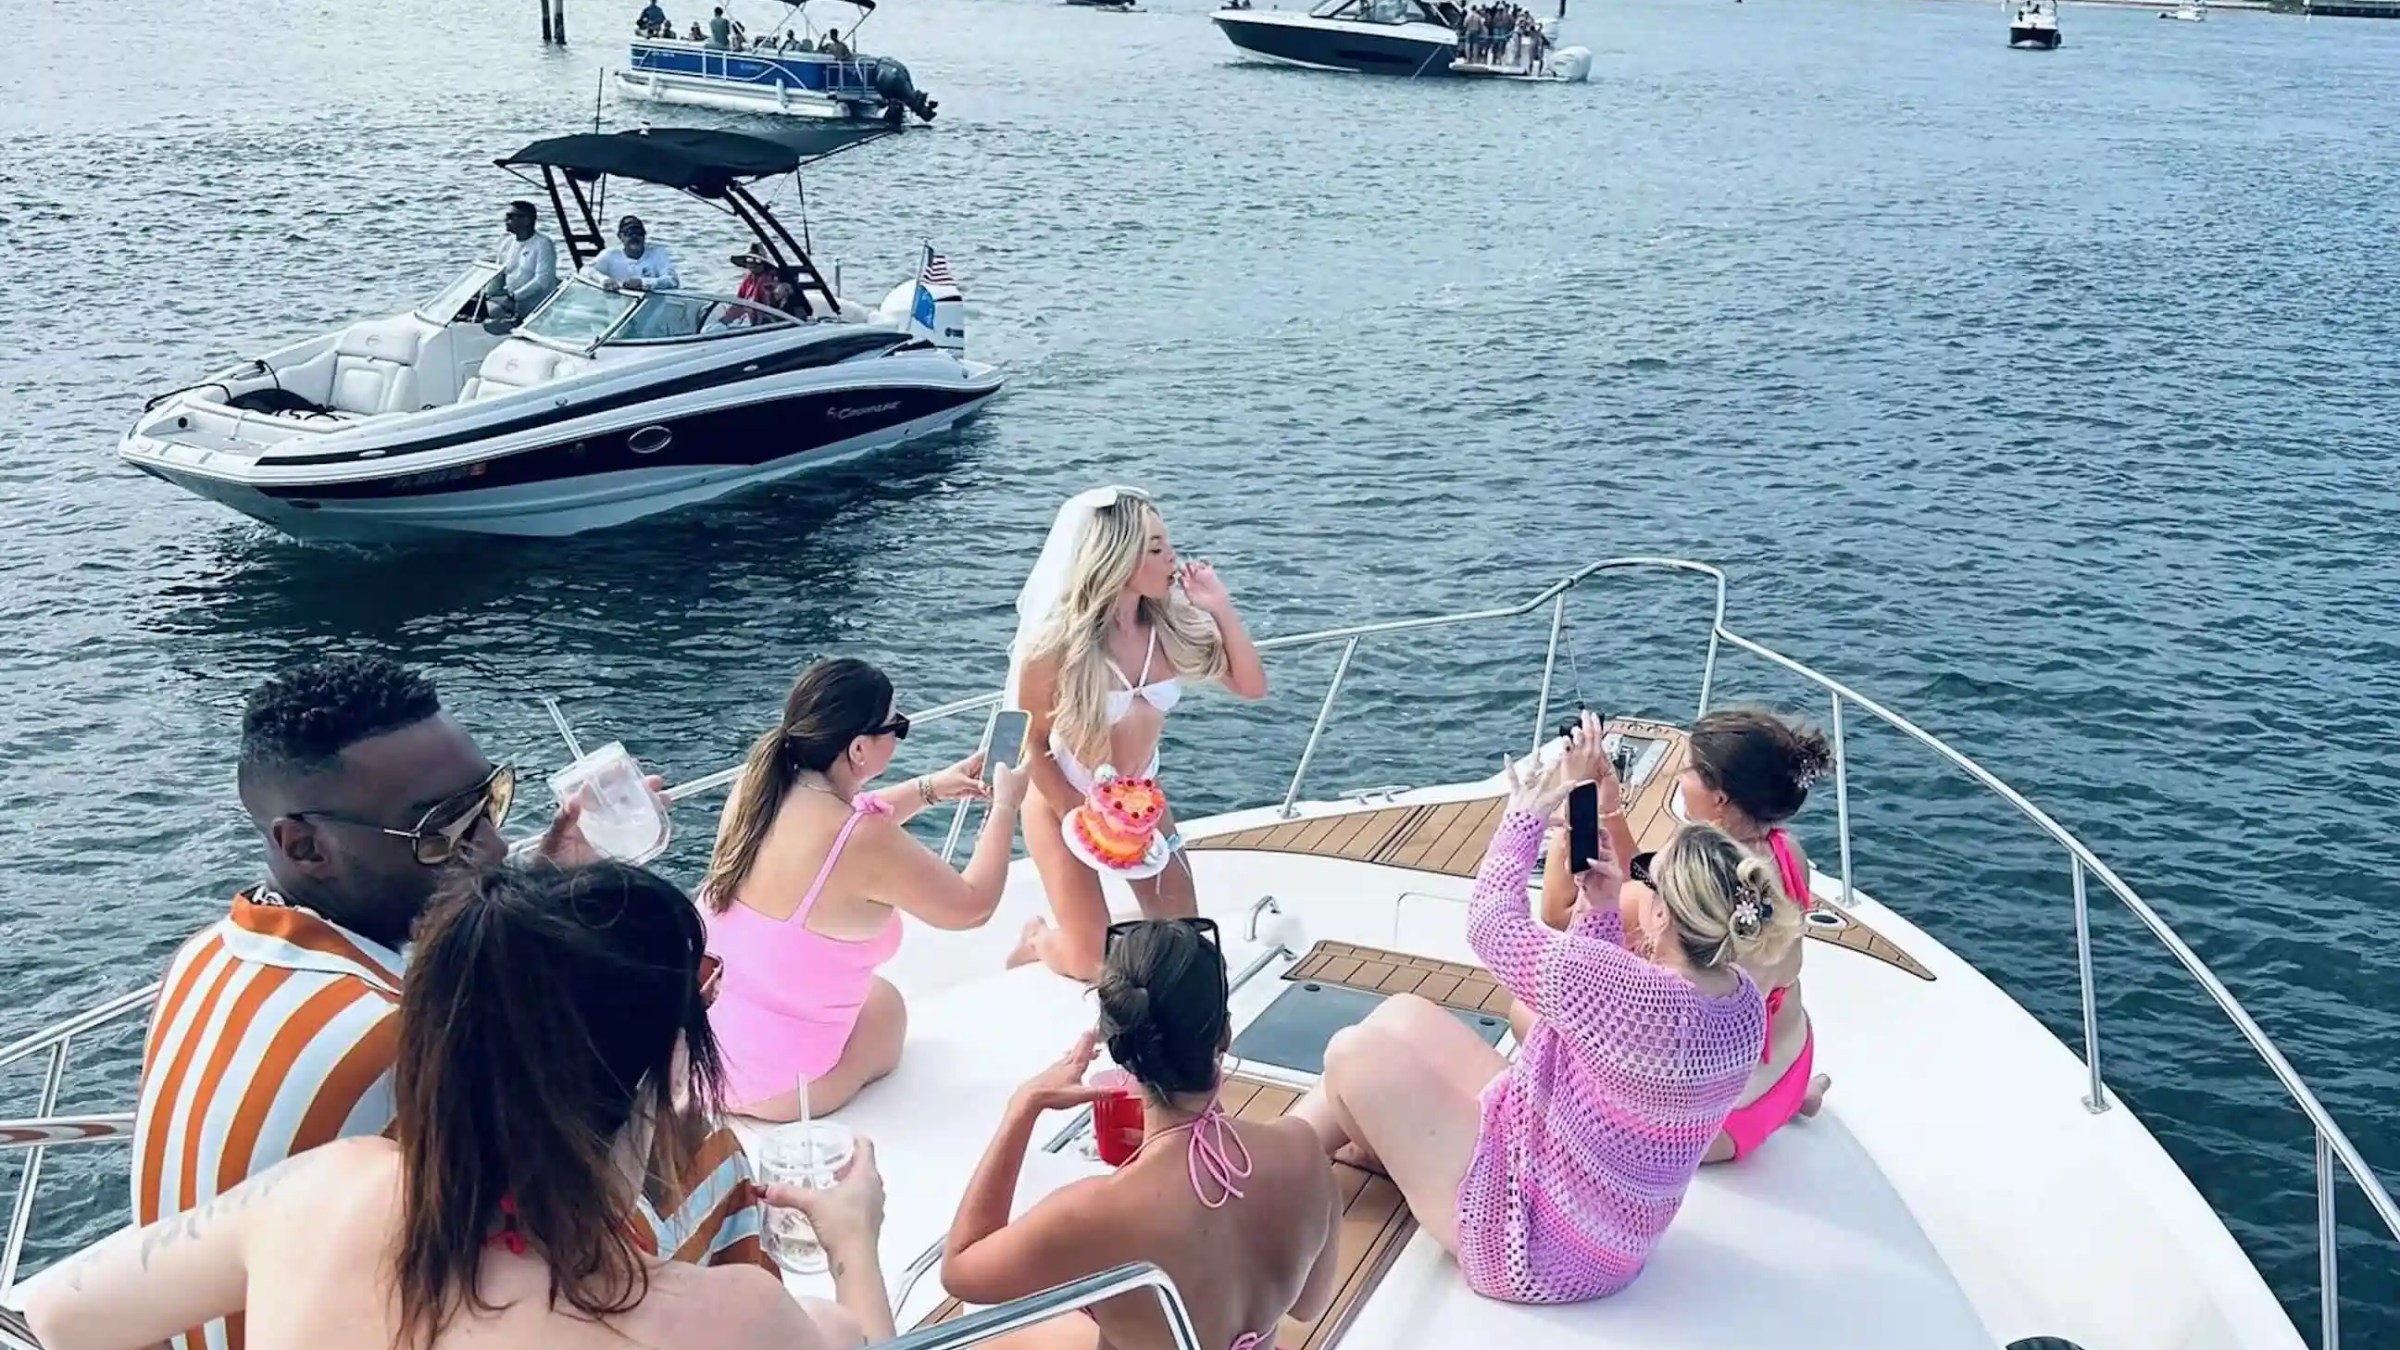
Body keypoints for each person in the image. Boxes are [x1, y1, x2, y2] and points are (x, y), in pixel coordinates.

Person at [129, 657, 767, 1350]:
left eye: (488, 804)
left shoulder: (207, 955)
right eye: (441, 831)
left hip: (206, 1322)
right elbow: (566, 1206)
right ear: (305, 846)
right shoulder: (404, 1039)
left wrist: (535, 891)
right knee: (709, 1156)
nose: (493, 845)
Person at [32, 862, 896, 1350]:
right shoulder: (729, 1320)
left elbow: (50, 1320)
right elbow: (849, 1337)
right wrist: (853, 1245)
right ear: (656, 1072)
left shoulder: (319, 1194)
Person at [1291, 726, 1789, 1304]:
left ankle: (1268, 1171)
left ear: (1660, 917)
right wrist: (1601, 906)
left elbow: (1491, 925)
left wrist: (1523, 816)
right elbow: (1605, 1026)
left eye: (1649, 878)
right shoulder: (1742, 1005)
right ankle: (1323, 1149)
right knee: (1402, 1016)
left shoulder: (1632, 993)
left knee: (1353, 1054)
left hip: (1529, 1244)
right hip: (1602, 1222)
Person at [941, 920, 1340, 1350]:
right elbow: (1308, 1306)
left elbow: (961, 1271)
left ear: (1121, 1050)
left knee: (989, 1335)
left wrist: (1023, 1106)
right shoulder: (1302, 1149)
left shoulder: (1095, 1213)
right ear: (1224, 1033)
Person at [703, 658, 1030, 1118]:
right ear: (858, 748)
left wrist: (932, 788)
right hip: (776, 1089)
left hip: (703, 1060)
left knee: (874, 997)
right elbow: (972, 906)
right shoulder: (861, 839)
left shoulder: (756, 791)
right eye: (897, 726)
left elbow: (846, 825)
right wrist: (1007, 805)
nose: (900, 734)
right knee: (885, 1007)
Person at [1535, 707, 1833, 1161]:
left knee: (1528, 1014)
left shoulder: (1690, 885)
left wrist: (1576, 804)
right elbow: (1645, 882)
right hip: (1790, 1068)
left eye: (1690, 769)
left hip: (1718, 1125)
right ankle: (1797, 1100)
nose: (1678, 775)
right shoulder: (1782, 852)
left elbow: (1560, 913)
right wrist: (1610, 809)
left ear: (1720, 798)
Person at [1004, 487, 1267, 983]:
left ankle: (1113, 928)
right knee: (1090, 962)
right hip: (1063, 800)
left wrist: (1220, 608)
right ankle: (1038, 938)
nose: (1172, 557)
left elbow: (1252, 688)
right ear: (1118, 557)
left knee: (1184, 939)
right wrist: (1076, 812)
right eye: (1155, 547)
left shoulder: (1172, 628)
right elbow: (1028, 739)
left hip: (1140, 803)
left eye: (1169, 544)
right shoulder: (1058, 646)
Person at [490, 200, 557, 325]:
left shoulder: (543, 244)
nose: (506, 220)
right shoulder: (507, 243)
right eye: (506, 216)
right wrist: (488, 293)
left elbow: (542, 281)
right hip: (511, 305)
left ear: (526, 220)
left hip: (537, 308)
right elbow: (499, 275)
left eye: (510, 217)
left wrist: (514, 297)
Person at [583, 215, 679, 294]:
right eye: (629, 233)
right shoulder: (610, 255)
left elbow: (673, 281)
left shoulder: (657, 254)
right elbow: (585, 270)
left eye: (639, 233)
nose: (635, 237)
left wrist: (643, 283)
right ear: (620, 236)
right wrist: (603, 280)